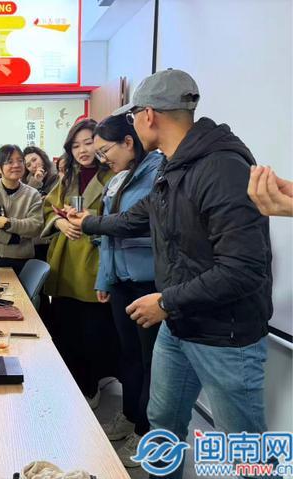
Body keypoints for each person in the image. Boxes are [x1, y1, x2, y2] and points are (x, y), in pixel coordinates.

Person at [68, 69, 273, 479]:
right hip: (179, 325)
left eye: (133, 117)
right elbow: (134, 218)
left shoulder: (222, 168)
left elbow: (243, 269)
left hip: (225, 335)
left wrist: (165, 301)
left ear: (149, 115)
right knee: (162, 422)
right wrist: (87, 222)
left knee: (246, 451)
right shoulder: (170, 166)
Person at [91, 115, 163, 467]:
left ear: (128, 142)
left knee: (152, 362)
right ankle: (130, 417)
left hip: (149, 283)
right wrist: (105, 279)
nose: (103, 158)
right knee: (129, 355)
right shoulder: (119, 178)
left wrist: (94, 223)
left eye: (105, 150)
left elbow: (137, 225)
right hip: (121, 281)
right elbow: (108, 234)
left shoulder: (158, 172)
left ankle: (145, 432)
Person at [41, 119, 117, 409]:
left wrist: (89, 222)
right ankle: (72, 384)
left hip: (94, 259)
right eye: (75, 145)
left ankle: (90, 385)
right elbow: (47, 208)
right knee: (66, 327)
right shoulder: (68, 177)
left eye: (88, 143)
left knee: (92, 330)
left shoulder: (113, 175)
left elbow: (122, 219)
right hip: (66, 259)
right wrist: (59, 222)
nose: (83, 150)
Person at [0, 144, 43, 275]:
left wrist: (9, 223)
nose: (16, 165)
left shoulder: (33, 194)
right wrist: (12, 239)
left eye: (20, 161)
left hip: (21, 259)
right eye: (9, 162)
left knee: (19, 289)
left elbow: (36, 226)